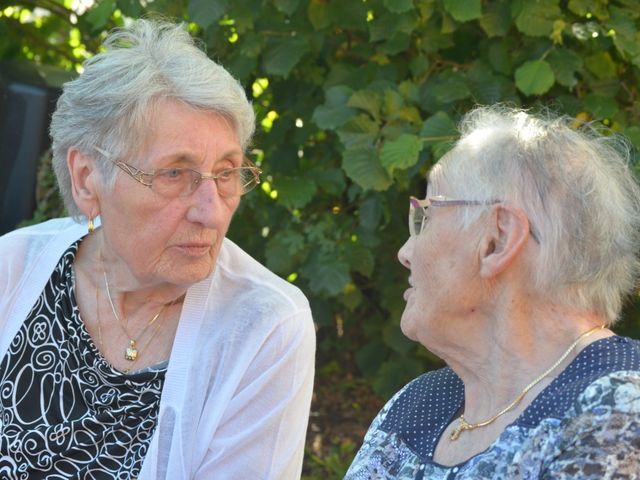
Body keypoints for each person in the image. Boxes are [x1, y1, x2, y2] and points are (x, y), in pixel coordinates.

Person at [0, 19, 315, 479]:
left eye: (226, 172)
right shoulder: (12, 267)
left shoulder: (264, 327)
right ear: (88, 179)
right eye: (173, 174)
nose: (211, 212)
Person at [345, 105, 640, 479]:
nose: (404, 253)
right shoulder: (421, 402)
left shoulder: (618, 409)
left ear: (497, 239)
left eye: (426, 217)